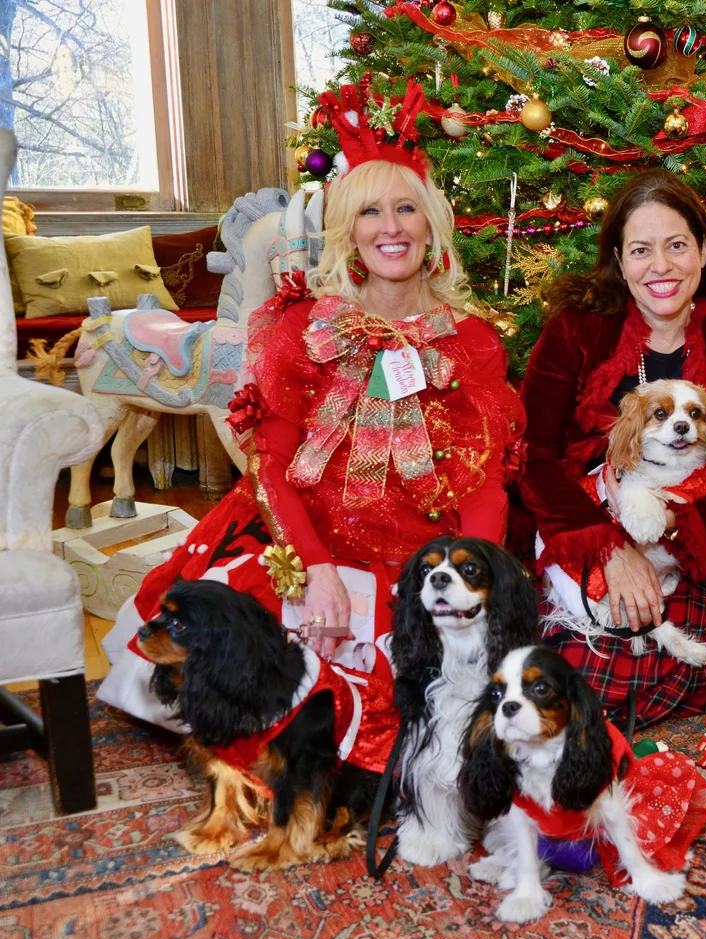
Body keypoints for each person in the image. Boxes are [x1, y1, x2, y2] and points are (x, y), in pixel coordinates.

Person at [99, 78, 525, 753]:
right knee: (247, 678)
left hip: (419, 559)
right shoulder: (303, 331)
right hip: (305, 542)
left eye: (407, 209)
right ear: (347, 232)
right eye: (370, 212)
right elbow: (270, 464)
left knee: (422, 714)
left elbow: (481, 482)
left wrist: (477, 585)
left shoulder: (471, 340)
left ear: (431, 226)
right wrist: (316, 570)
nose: (391, 227)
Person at [518, 169, 706, 725]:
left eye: (677, 245)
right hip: (584, 535)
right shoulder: (576, 332)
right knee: (580, 675)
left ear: (702, 252)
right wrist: (609, 546)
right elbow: (531, 456)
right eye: (640, 250)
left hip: (693, 551)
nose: (661, 266)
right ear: (619, 260)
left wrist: (676, 528)